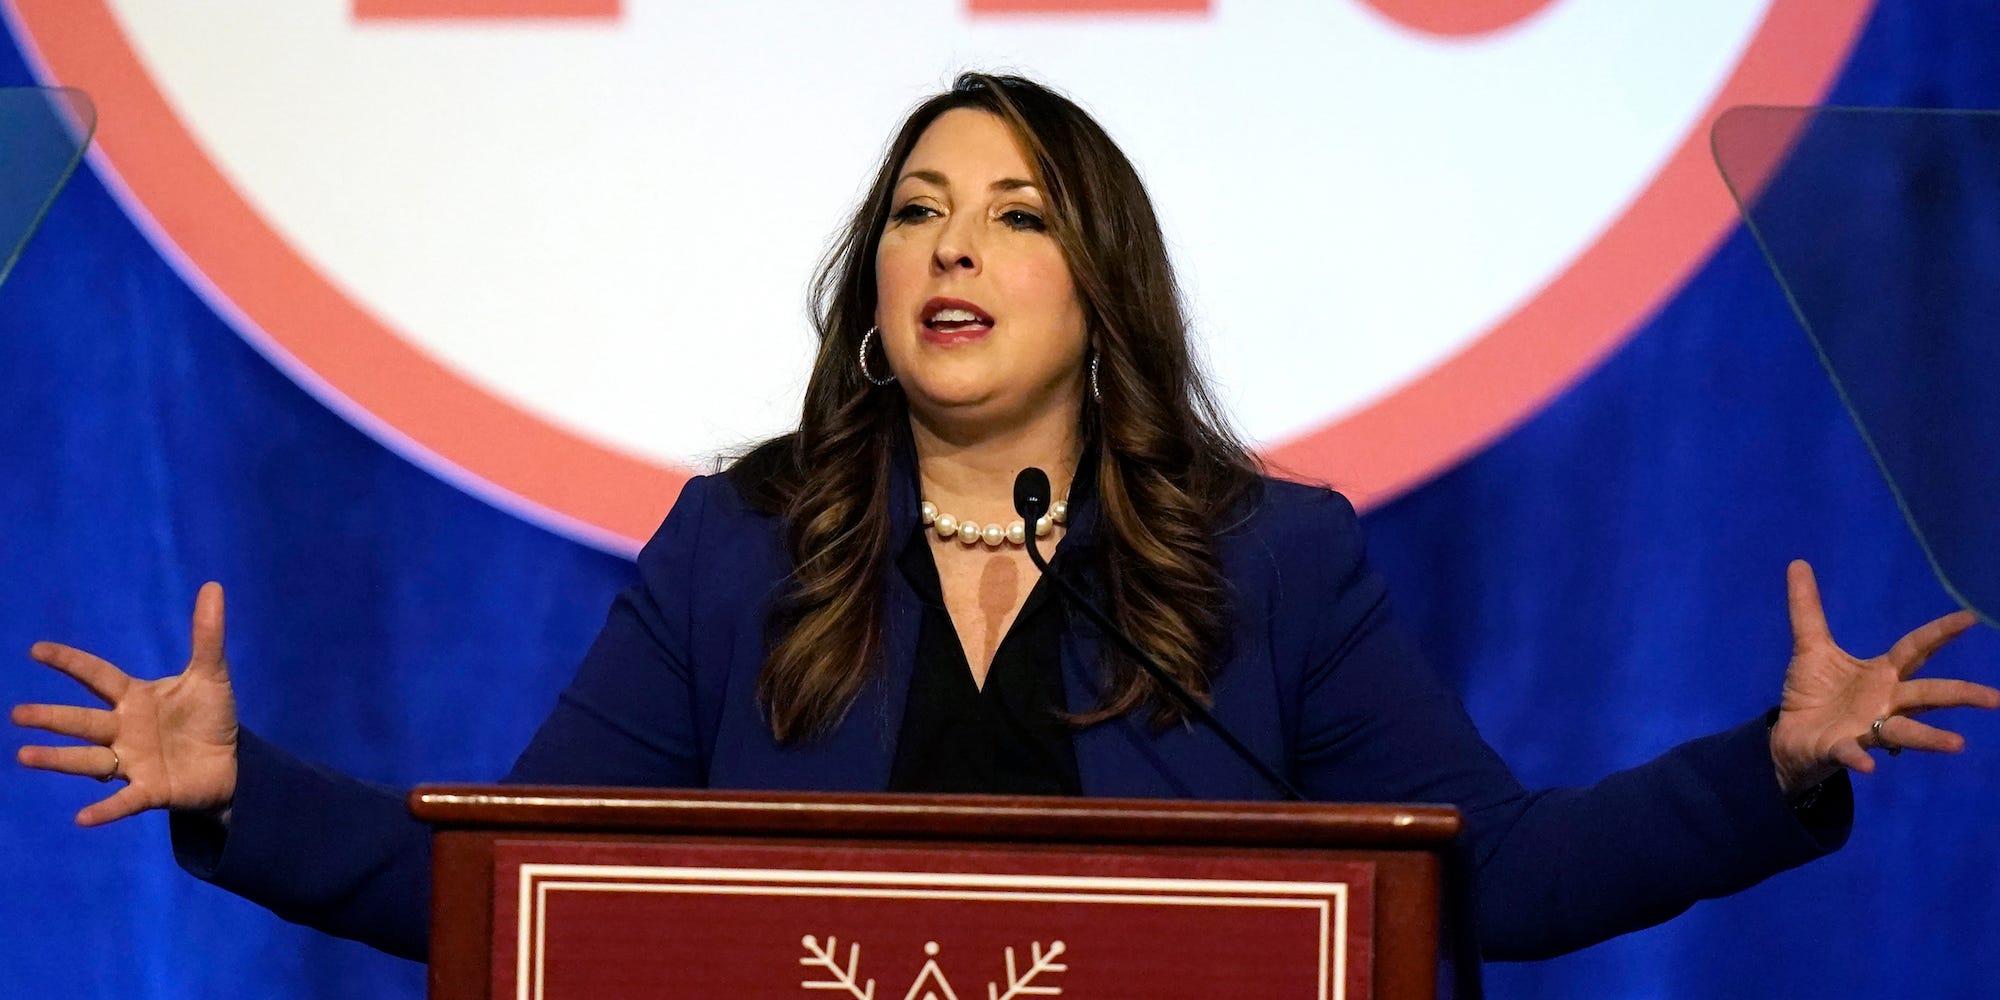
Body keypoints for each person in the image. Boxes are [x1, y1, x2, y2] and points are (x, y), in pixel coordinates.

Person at [12, 73, 1998, 992]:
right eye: (913, 208)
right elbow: (538, 889)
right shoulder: (739, 550)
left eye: (1013, 210)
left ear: (1096, 282)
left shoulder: (1270, 560)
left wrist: (1772, 769)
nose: (948, 241)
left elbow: (1503, 879)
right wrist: (234, 793)